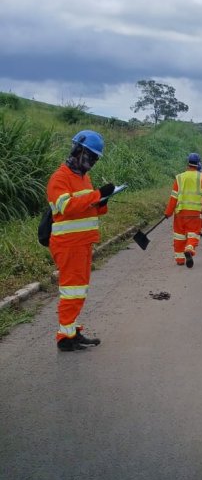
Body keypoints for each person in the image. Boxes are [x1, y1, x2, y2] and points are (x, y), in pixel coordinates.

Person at [46, 130, 114, 351]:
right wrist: (96, 195)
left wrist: (103, 199)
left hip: (82, 243)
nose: (92, 162)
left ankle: (71, 331)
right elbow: (66, 206)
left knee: (78, 291)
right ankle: (65, 338)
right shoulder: (60, 178)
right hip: (68, 245)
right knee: (72, 291)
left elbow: (90, 208)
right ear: (78, 151)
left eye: (95, 159)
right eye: (90, 157)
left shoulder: (83, 178)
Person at [164, 153, 202, 268]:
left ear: (188, 163)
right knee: (193, 234)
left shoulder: (179, 177)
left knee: (179, 236)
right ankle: (189, 249)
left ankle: (180, 260)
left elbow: (174, 197)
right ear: (199, 164)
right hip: (195, 213)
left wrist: (168, 212)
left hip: (180, 213)